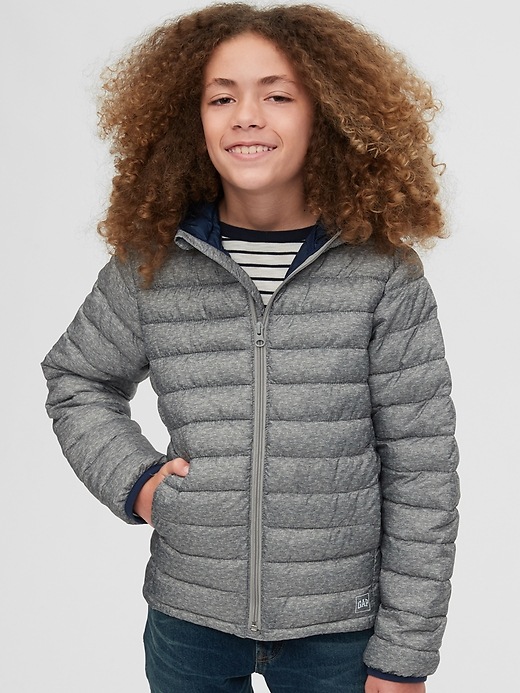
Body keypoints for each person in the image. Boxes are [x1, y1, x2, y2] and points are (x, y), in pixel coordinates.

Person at [42, 3, 460, 692]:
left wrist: (405, 653)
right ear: (191, 120)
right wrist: (139, 483)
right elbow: (76, 378)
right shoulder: (152, 265)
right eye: (222, 97)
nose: (246, 116)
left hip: (341, 633)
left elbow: (423, 471)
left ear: (327, 114)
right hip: (189, 622)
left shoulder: (382, 274)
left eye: (277, 95)